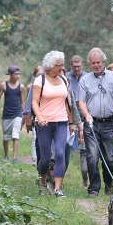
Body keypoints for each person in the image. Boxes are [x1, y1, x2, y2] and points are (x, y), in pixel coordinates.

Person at [78, 47, 113, 197]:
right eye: (93, 63)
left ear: (103, 62)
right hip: (91, 123)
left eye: (98, 62)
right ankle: (94, 188)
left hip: (109, 123)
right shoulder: (85, 80)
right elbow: (81, 101)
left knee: (109, 157)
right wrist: (86, 115)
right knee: (92, 156)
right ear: (90, 64)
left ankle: (108, 183)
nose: (96, 65)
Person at [32, 51, 75, 198]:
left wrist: (71, 122)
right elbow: (34, 102)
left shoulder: (64, 80)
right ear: (51, 67)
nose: (62, 68)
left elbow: (67, 103)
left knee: (60, 154)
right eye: (59, 65)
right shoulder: (40, 81)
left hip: (61, 122)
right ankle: (43, 182)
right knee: (44, 159)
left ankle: (57, 189)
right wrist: (39, 117)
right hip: (44, 124)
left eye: (63, 65)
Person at [66, 54, 89, 187]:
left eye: (79, 66)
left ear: (82, 65)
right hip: (71, 111)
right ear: (71, 66)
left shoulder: (87, 76)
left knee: (84, 139)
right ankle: (72, 157)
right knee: (72, 137)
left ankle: (84, 170)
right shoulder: (67, 77)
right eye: (74, 67)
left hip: (84, 110)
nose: (76, 69)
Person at [0, 65, 25, 163]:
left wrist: (24, 114)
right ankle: (6, 155)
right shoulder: (3, 85)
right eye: (16, 74)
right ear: (10, 74)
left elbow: (22, 102)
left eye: (19, 74)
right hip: (6, 114)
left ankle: (14, 158)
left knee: (15, 135)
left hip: (17, 113)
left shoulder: (21, 86)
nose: (18, 76)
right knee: (6, 137)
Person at [25, 66, 44, 166]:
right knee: (35, 137)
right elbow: (29, 102)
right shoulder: (31, 87)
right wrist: (28, 117)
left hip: (47, 116)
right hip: (35, 116)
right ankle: (35, 158)